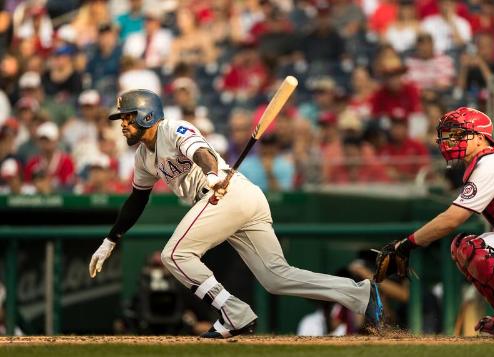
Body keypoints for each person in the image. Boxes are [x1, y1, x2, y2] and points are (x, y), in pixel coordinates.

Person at [88, 89, 383, 338]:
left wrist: (213, 174)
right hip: (235, 197)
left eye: (127, 117)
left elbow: (201, 152)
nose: (123, 124)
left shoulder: (174, 128)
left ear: (146, 115)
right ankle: (358, 294)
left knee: (175, 255)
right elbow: (137, 199)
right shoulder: (142, 156)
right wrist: (110, 240)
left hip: (224, 192)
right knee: (276, 278)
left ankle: (233, 312)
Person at [374, 107, 494, 335]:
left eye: (460, 134)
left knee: (473, 248)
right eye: (449, 135)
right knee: (461, 247)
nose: (451, 141)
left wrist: (406, 244)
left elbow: (452, 219)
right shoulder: (487, 162)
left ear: (481, 138)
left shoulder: (492, 161)